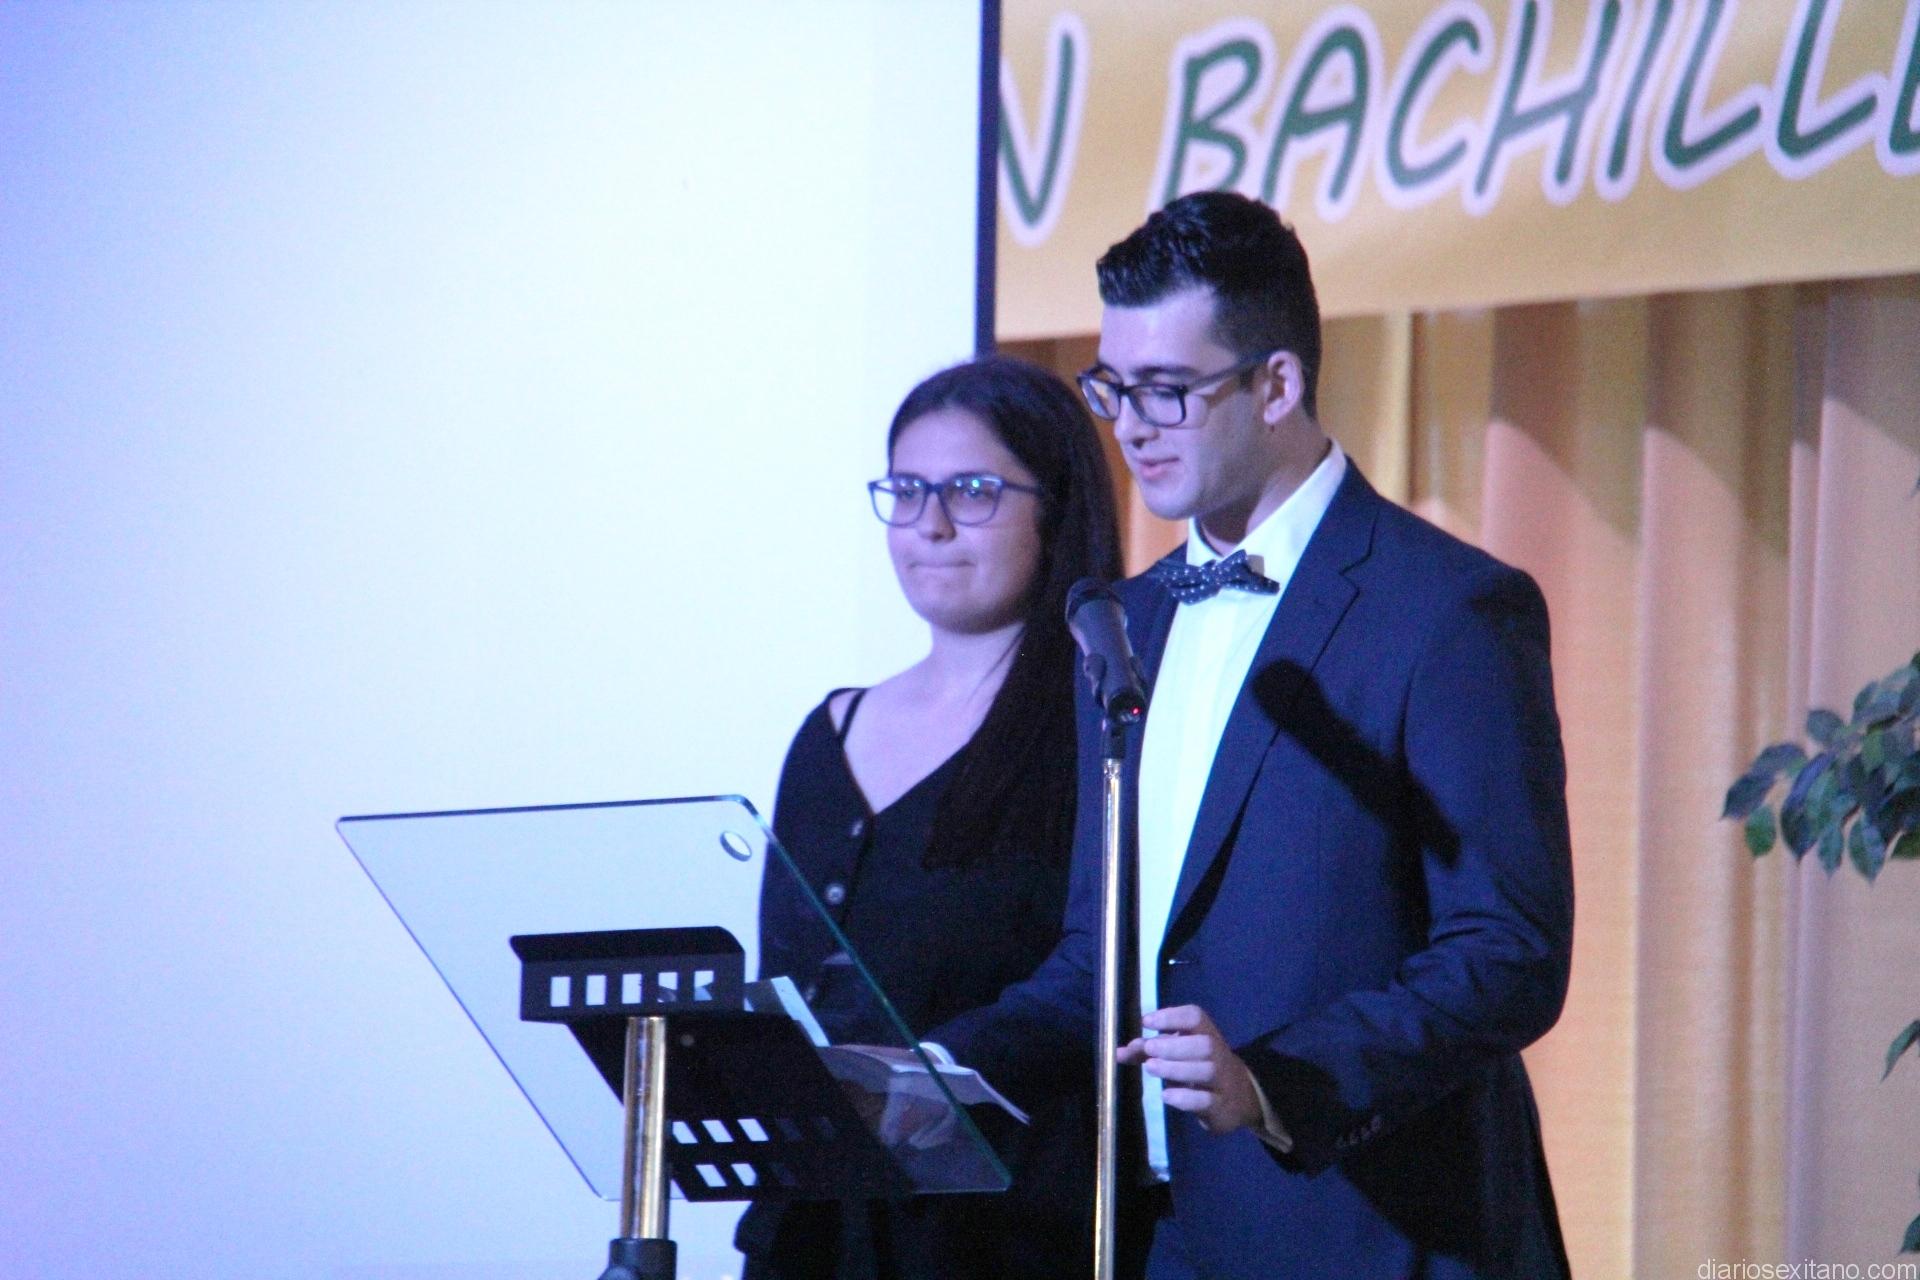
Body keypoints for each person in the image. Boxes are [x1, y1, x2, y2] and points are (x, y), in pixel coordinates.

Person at [935, 191, 1576, 1279]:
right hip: (1160, 1237)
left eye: (1165, 390)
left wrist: (1276, 1082)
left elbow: (1508, 950)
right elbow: (1102, 958)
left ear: (1277, 384)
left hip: (1371, 1235)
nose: (1130, 426)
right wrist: (934, 1068)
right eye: (1112, 388)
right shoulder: (1125, 621)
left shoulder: (1446, 608)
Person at [736, 354, 1123, 1280]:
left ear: (1056, 507)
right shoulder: (832, 731)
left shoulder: (1102, 726)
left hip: (1004, 1236)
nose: (931, 525)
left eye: (973, 492)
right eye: (907, 491)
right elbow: (786, 987)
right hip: (815, 1229)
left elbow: (1092, 988)